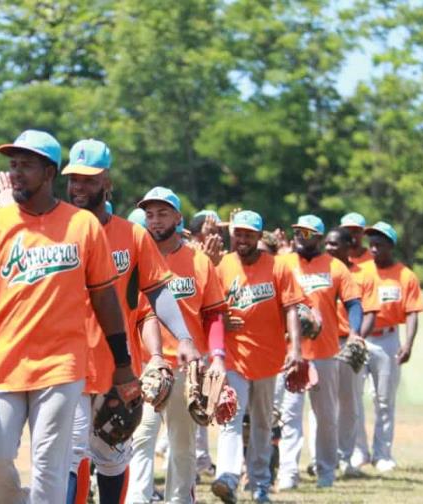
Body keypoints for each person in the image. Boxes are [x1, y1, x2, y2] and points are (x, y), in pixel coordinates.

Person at [0, 129, 139, 503]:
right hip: (1, 363)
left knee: (51, 466)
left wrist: (123, 363)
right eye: (13, 164)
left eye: (26, 165)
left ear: (49, 173)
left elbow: (105, 298)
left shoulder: (82, 226)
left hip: (61, 364)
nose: (16, 172)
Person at [62, 140, 199, 504]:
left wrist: (183, 338)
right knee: (72, 455)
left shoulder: (132, 234)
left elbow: (157, 292)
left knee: (111, 457)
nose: (79, 187)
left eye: (88, 180)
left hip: (116, 366)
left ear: (106, 181)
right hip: (66, 360)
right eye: (74, 178)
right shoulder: (58, 229)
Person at [127, 187, 227, 504]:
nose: (155, 221)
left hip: (186, 368)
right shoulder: (134, 258)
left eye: (163, 213)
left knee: (182, 445)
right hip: (144, 364)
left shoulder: (199, 261)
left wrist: (218, 357)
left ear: (178, 217)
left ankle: (180, 500)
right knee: (139, 437)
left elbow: (213, 314)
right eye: (150, 214)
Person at [211, 210, 305, 504]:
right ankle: (227, 477)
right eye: (239, 233)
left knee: (263, 423)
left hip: (269, 358)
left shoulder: (277, 267)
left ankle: (260, 483)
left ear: (258, 237)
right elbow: (210, 307)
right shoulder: (223, 266)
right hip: (234, 357)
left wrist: (297, 349)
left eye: (249, 234)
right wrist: (222, 320)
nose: (243, 239)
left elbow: (291, 308)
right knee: (230, 418)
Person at [274, 215, 363, 490]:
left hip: (325, 352)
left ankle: (326, 471)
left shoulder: (335, 267)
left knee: (326, 416)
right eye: (299, 231)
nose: (302, 235)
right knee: (289, 415)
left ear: (321, 238)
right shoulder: (283, 262)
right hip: (290, 352)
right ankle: (288, 472)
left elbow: (354, 303)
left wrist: (355, 332)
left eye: (309, 233)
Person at [355, 222, 423, 473]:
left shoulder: (405, 275)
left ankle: (382, 454)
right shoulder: (360, 272)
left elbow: (413, 312)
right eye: (371, 243)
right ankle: (359, 451)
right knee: (353, 397)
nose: (373, 248)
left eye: (379, 244)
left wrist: (408, 343)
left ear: (390, 247)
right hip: (361, 339)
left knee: (383, 399)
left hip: (387, 339)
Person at [321, 226, 378, 477]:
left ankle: (345, 457)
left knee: (348, 402)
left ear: (349, 247)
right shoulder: (319, 269)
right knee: (322, 405)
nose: (330, 248)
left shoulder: (362, 273)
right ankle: (321, 457)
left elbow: (368, 310)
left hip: (347, 343)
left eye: (336, 244)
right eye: (328, 244)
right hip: (323, 343)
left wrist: (357, 338)